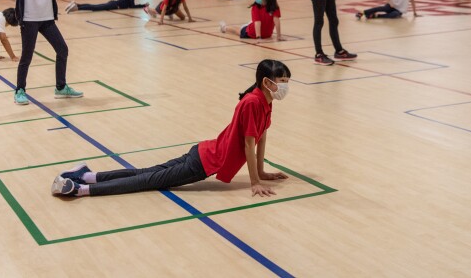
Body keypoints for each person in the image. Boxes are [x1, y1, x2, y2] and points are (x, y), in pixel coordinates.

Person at [52, 59, 292, 198]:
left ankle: (86, 175)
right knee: (144, 181)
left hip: (202, 153)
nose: (285, 86)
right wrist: (254, 182)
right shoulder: (252, 102)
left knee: (144, 173)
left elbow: (261, 138)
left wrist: (261, 172)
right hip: (201, 163)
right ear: (267, 82)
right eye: (282, 82)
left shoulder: (265, 102)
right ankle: (79, 189)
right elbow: (248, 144)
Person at [219, 0, 284, 41]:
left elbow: (277, 21)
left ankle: (246, 24)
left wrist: (279, 36)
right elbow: (257, 22)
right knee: (238, 30)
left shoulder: (274, 7)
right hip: (252, 33)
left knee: (242, 27)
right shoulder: (256, 7)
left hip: (267, 34)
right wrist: (258, 37)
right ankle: (225, 28)